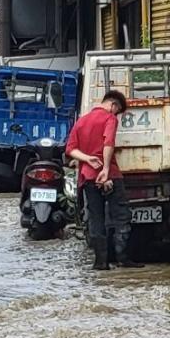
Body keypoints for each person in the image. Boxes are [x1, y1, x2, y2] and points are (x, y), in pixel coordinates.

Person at [66, 90, 143, 270]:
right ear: (113, 105)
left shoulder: (81, 121)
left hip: (88, 176)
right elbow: (109, 142)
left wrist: (87, 159)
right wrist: (106, 170)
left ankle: (101, 262)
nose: (116, 115)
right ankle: (123, 258)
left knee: (96, 218)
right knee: (121, 217)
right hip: (110, 175)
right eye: (117, 111)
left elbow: (70, 149)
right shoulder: (109, 118)